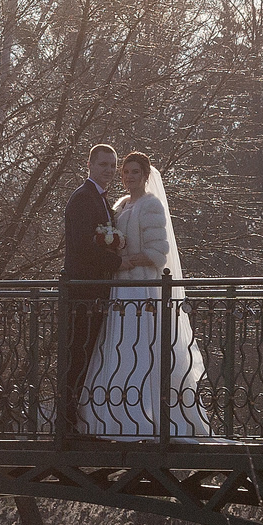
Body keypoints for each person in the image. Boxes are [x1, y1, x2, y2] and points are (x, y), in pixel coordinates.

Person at [77, 151, 214, 440]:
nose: (128, 177)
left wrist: (126, 261)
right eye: (125, 172)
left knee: (143, 347)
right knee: (120, 346)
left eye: (134, 172)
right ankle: (115, 414)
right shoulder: (121, 204)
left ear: (146, 175)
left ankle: (147, 414)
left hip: (140, 287)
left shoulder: (151, 205)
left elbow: (158, 252)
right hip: (120, 288)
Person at [60, 143, 122, 435]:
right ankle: (66, 421)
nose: (108, 170)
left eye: (112, 165)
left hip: (94, 291)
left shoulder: (99, 200)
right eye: (103, 165)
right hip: (83, 292)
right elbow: (85, 246)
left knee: (86, 353)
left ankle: (76, 418)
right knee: (78, 352)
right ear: (90, 165)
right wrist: (120, 262)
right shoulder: (84, 198)